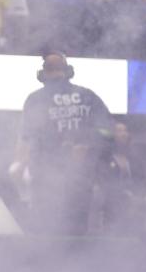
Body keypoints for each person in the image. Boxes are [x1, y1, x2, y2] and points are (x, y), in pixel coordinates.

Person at [12, 52, 113, 235]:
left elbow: (108, 130)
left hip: (71, 177)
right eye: (53, 69)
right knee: (66, 227)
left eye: (57, 69)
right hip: (54, 177)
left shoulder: (38, 99)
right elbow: (108, 130)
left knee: (58, 228)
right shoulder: (84, 96)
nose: (56, 73)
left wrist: (86, 146)